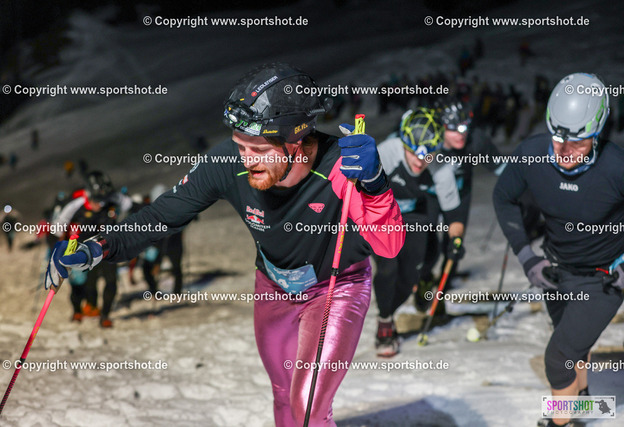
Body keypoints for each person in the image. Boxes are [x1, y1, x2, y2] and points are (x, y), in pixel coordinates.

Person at [45, 63, 404, 426]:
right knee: (283, 393)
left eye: (258, 150)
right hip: (273, 288)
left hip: (335, 288)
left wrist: (375, 184)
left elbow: (389, 246)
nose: (247, 160)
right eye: (240, 146)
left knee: (307, 407)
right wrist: (98, 247)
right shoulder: (230, 161)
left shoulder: (342, 166)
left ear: (295, 142)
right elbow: (164, 214)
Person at [493, 73, 622, 427]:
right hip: (556, 271)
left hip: (604, 278)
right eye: (558, 138)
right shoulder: (532, 154)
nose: (564, 151)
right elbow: (503, 197)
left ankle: (559, 422)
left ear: (597, 133)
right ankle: (582, 401)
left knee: (558, 356)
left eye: (577, 143)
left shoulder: (615, 167)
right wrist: (527, 257)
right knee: (572, 343)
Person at [373, 108, 466, 357]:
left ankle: (399, 300)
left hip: (414, 214)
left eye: (427, 156)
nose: (420, 162)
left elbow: (454, 215)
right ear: (404, 143)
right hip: (382, 213)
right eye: (413, 153)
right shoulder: (387, 152)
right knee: (387, 268)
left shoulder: (441, 166)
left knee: (409, 275)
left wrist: (456, 239)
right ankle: (385, 321)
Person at [420, 99, 505, 288]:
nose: (461, 134)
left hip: (459, 195)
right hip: (431, 194)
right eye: (453, 129)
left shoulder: (476, 140)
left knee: (454, 244)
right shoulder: (428, 140)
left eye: (464, 127)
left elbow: (501, 167)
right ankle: (423, 279)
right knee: (427, 241)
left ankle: (445, 284)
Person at [52, 171, 131, 327]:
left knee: (111, 281)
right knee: (85, 283)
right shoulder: (76, 205)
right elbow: (57, 228)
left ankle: (105, 315)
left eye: (103, 200)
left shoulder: (111, 199)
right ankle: (80, 310)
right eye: (97, 200)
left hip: (107, 247)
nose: (100, 204)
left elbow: (129, 205)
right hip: (82, 248)